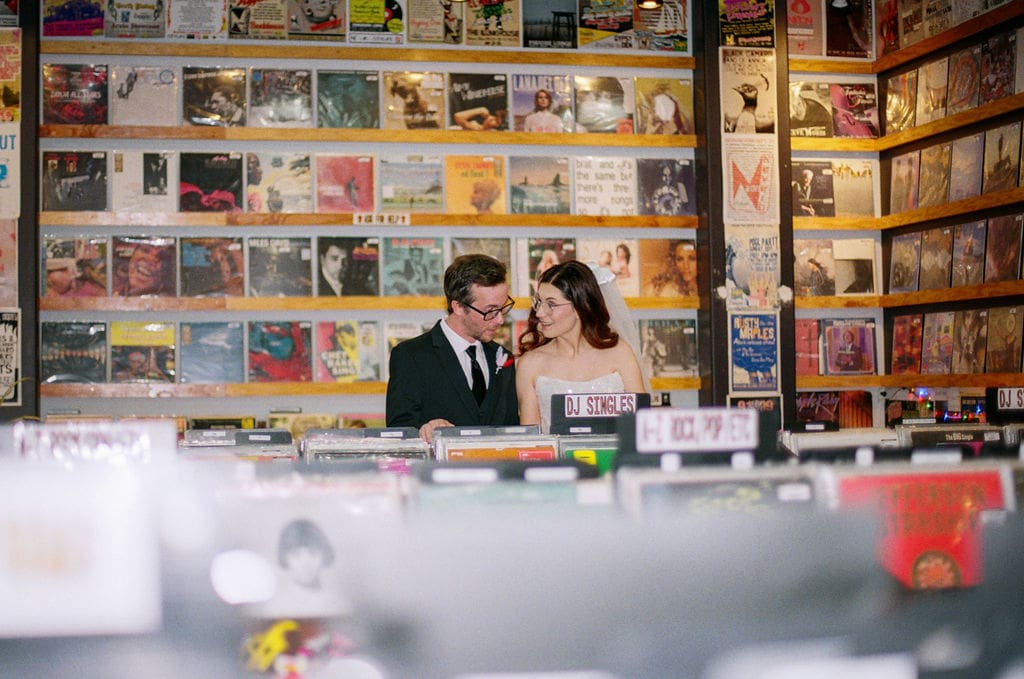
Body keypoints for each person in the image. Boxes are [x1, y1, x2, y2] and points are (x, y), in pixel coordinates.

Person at [386, 254, 519, 442]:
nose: (500, 320)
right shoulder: (411, 356)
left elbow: (512, 428)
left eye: (503, 307)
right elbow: (398, 431)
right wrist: (424, 429)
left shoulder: (503, 357)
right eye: (490, 311)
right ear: (457, 306)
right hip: (439, 469)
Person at [516, 261, 645, 433]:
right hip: (557, 460)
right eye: (539, 302)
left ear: (579, 307)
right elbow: (531, 440)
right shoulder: (530, 364)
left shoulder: (619, 353)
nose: (539, 312)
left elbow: (640, 424)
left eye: (551, 304)